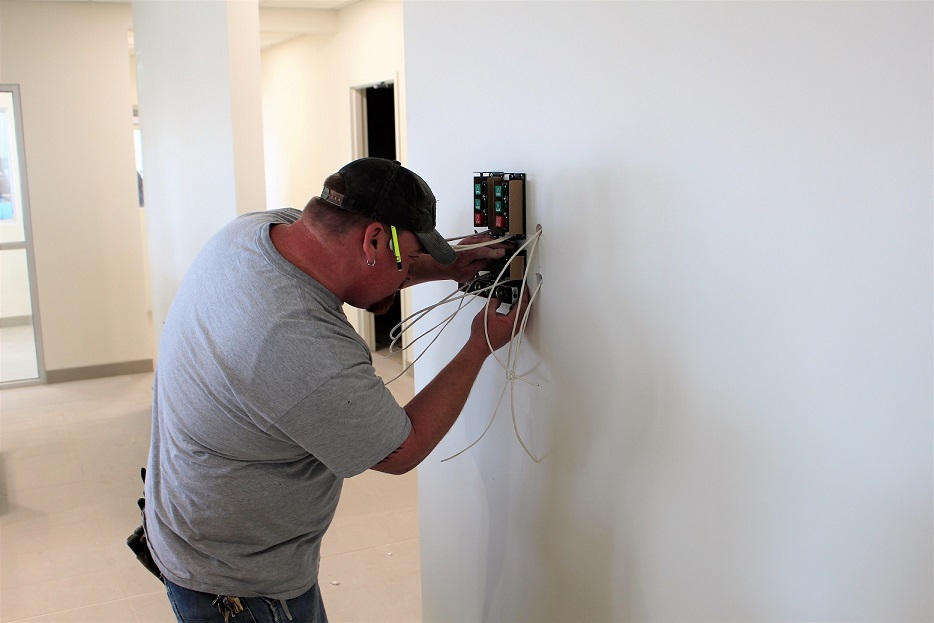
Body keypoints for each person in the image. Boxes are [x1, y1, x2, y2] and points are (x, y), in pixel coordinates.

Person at [144, 157, 527, 623]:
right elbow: (400, 451)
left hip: (190, 529)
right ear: (373, 240)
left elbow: (365, 261)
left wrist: (440, 267)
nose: (409, 272)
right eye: (408, 259)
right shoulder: (297, 340)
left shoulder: (254, 231)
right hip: (241, 584)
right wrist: (479, 344)